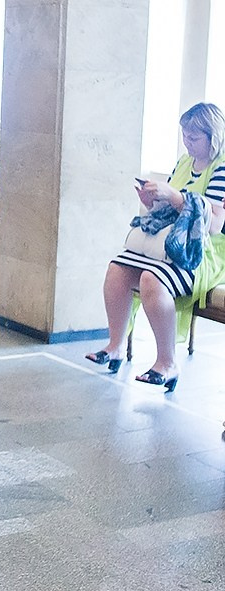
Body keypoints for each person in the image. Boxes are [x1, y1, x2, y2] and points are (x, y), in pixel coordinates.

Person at [87, 103, 225, 390]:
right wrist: (154, 201)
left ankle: (167, 362)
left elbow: (212, 224)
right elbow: (173, 207)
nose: (187, 142)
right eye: (185, 135)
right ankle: (114, 346)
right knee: (118, 269)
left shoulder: (221, 167)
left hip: (202, 251)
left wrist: (173, 195)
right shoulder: (185, 162)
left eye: (194, 137)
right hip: (171, 242)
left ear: (213, 136)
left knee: (152, 278)